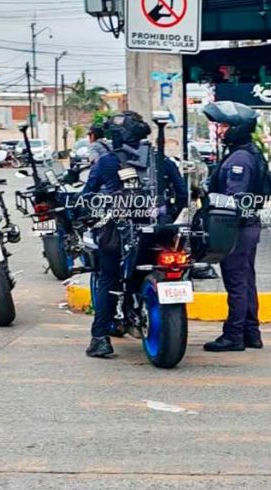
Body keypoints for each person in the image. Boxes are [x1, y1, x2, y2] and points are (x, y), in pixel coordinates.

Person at [81, 111, 188, 358]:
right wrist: (164, 220)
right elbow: (182, 196)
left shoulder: (107, 162)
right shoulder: (163, 160)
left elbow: (86, 196)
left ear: (118, 136)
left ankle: (100, 339)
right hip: (160, 234)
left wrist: (89, 213)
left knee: (108, 280)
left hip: (119, 234)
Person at [202, 101, 265, 352]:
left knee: (236, 282)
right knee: (246, 279)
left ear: (237, 128)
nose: (220, 130)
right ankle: (251, 332)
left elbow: (233, 200)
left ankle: (234, 336)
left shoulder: (240, 159)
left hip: (236, 227)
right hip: (248, 226)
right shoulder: (249, 152)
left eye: (225, 125)